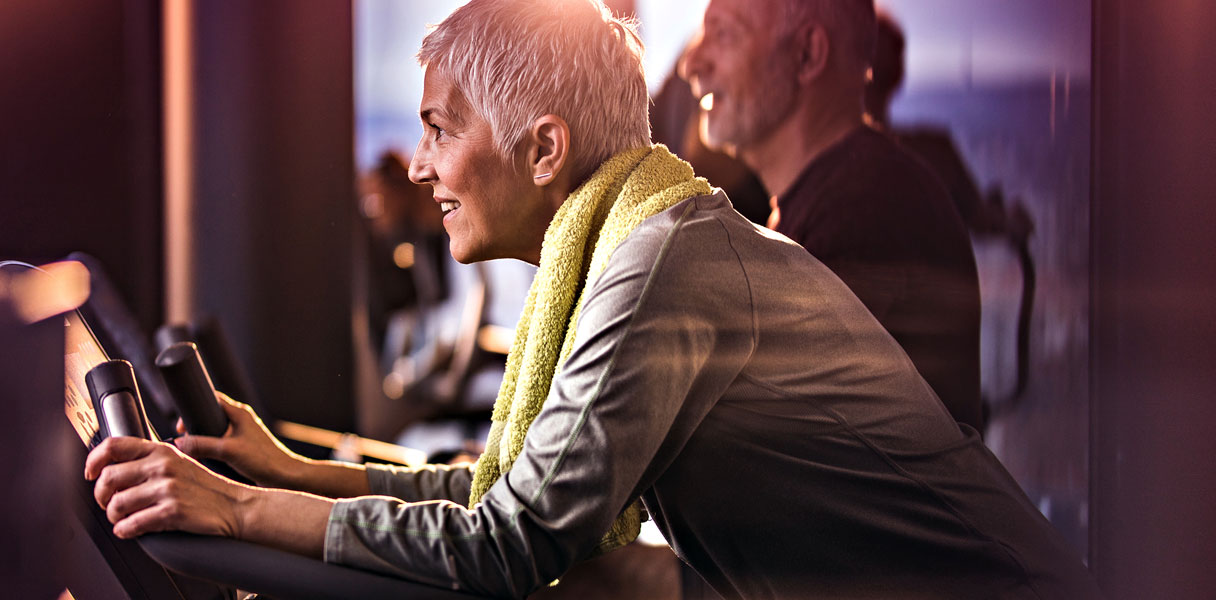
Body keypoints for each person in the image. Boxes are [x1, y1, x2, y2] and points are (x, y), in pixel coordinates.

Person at [84, 0, 1100, 598]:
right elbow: (505, 495)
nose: (422, 166)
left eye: (441, 129)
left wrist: (239, 509)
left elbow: (509, 542)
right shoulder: (647, 247)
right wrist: (293, 474)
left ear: (543, 150)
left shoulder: (661, 267)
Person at [682, 0, 984, 430]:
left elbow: (774, 438)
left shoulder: (863, 221)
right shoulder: (845, 200)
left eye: (723, 33)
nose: (691, 64)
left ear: (807, 54)